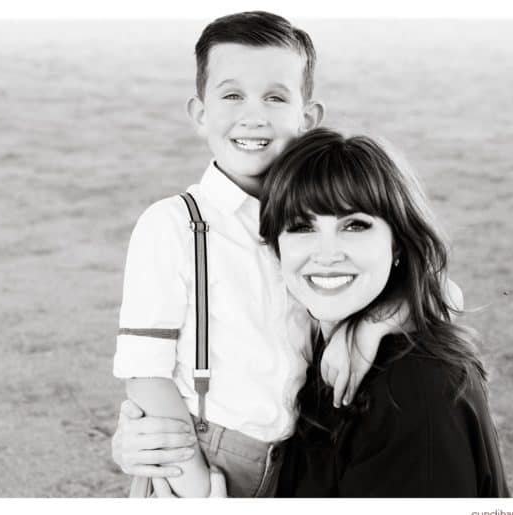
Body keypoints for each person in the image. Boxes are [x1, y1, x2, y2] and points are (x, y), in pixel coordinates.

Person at [113, 12, 407, 498]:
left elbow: (439, 293)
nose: (254, 115)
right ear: (200, 113)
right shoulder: (173, 225)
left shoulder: (315, 222)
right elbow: (146, 374)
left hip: (295, 455)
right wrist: (199, 491)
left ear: (307, 119)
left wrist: (372, 325)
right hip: (204, 462)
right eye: (232, 95)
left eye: (276, 97)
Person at [148, 127, 509, 496]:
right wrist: (147, 438)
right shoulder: (312, 344)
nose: (326, 253)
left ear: (398, 244)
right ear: (276, 248)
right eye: (302, 226)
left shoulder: (416, 391)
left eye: (354, 225)